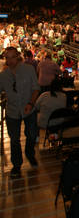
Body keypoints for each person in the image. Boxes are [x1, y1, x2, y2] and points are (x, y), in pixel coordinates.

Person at [0, 47, 40, 178]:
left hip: (29, 108)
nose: (9, 60)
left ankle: (30, 154)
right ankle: (16, 165)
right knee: (14, 140)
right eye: (7, 57)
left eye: (12, 57)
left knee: (31, 135)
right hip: (12, 110)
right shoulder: (3, 75)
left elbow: (35, 88)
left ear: (17, 56)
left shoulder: (28, 69)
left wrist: (30, 103)